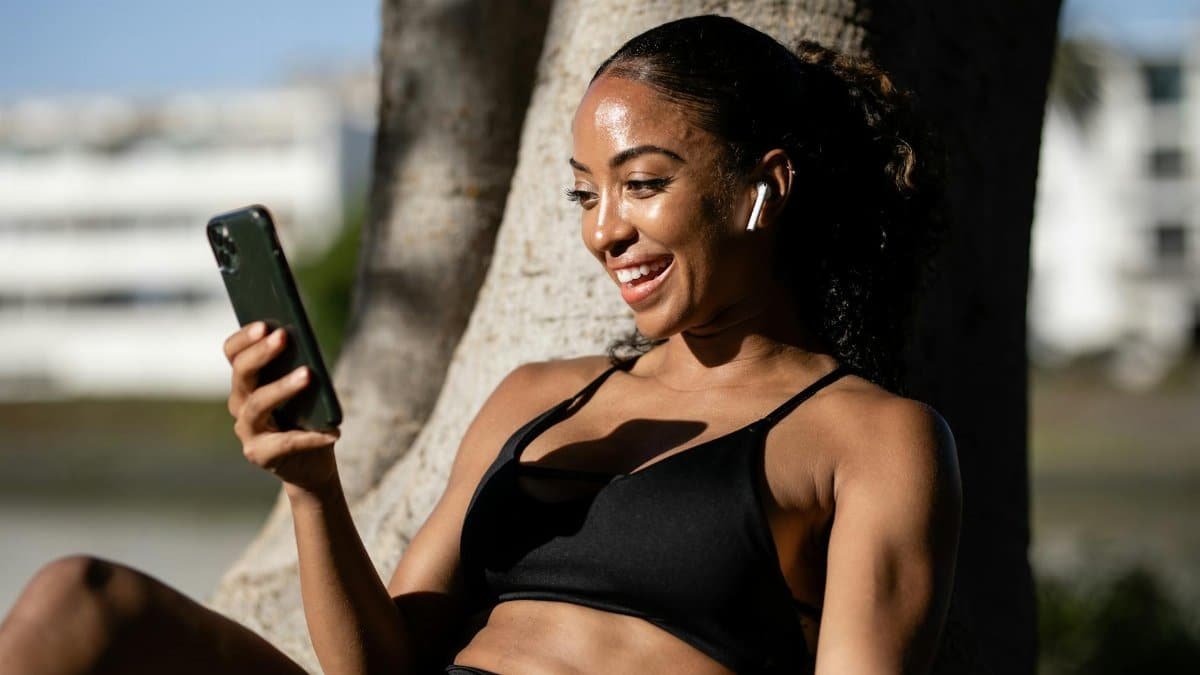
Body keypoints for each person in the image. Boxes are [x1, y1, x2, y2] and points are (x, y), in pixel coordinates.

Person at [0, 14, 961, 675]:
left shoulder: (872, 438)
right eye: (587, 193)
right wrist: (309, 481)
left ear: (766, 187)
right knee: (71, 601)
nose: (603, 231)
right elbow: (382, 664)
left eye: (642, 183)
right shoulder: (540, 396)